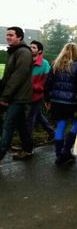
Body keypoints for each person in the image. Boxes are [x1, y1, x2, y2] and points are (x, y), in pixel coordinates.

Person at [45, 42, 77, 165]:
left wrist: (47, 100)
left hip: (56, 101)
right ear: (76, 52)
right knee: (76, 124)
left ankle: (58, 154)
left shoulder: (55, 65)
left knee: (60, 126)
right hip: (71, 101)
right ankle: (66, 150)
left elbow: (47, 84)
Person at [12, 40, 54, 159]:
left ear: (39, 51)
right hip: (25, 96)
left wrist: (35, 88)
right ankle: (52, 133)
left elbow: (47, 82)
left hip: (36, 96)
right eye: (30, 47)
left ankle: (27, 148)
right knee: (38, 116)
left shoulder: (44, 64)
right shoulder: (27, 61)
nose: (31, 49)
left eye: (34, 47)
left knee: (29, 121)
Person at [0, 27, 33, 161]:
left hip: (18, 97)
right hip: (16, 96)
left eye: (11, 35)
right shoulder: (15, 52)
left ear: (19, 37)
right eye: (7, 35)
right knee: (21, 124)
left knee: (7, 126)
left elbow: (18, 76)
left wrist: (5, 96)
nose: (8, 37)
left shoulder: (23, 52)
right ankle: (28, 149)